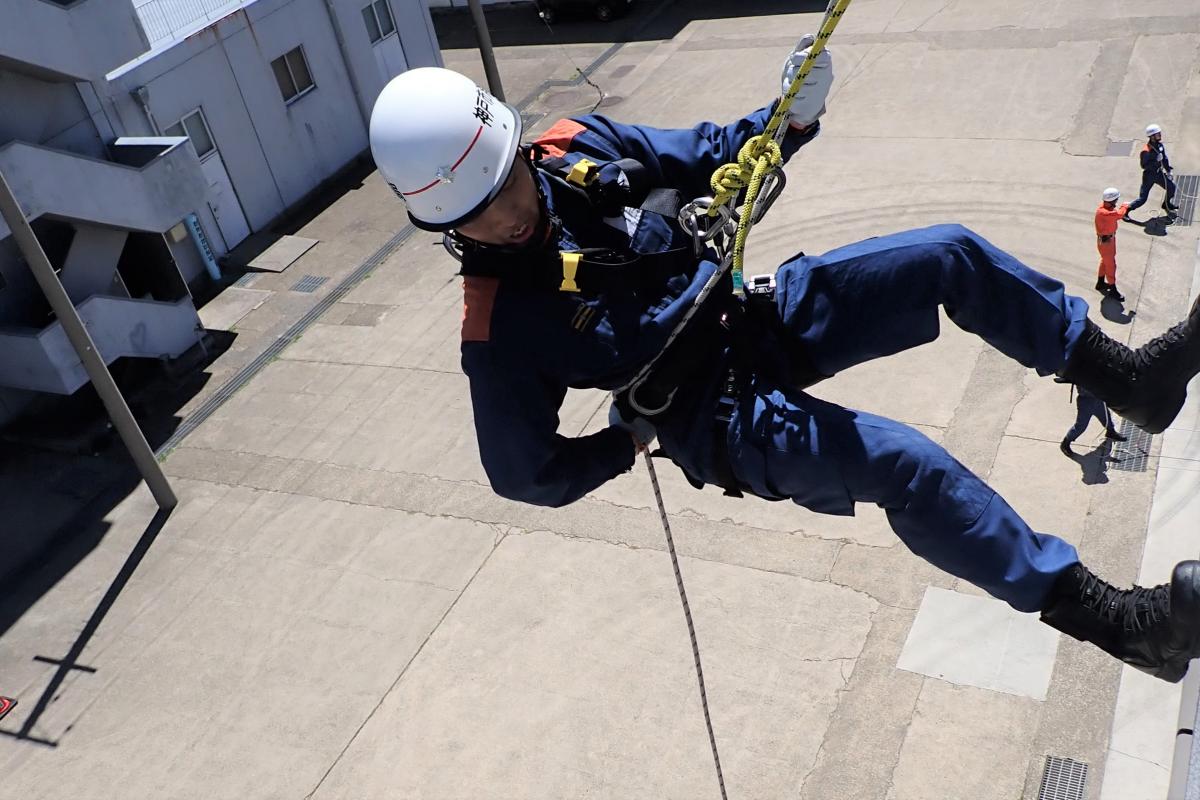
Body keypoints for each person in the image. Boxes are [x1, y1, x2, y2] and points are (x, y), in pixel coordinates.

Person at [368, 44, 1200, 683]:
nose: (510, 217)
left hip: (748, 315)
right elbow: (522, 472)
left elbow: (710, 153)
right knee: (904, 465)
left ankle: (1130, 379)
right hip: (707, 415)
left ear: (515, 148)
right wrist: (623, 446)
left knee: (945, 254)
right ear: (444, 222)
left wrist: (790, 115)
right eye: (479, 217)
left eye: (509, 184)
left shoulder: (573, 147)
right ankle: (1121, 625)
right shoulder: (498, 328)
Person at [1055, 377, 1126, 455]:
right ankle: (1065, 443)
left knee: (1106, 417)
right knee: (1081, 426)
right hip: (1086, 401)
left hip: (1098, 399)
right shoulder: (1080, 370)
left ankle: (1111, 432)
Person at [1124, 123, 1179, 222]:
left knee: (1171, 187)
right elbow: (1144, 166)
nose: (1160, 135)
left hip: (1158, 173)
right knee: (1142, 199)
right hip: (1149, 176)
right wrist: (1156, 161)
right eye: (1158, 134)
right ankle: (1126, 211)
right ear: (1152, 137)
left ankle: (1166, 204)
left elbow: (1164, 159)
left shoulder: (1159, 145)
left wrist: (1168, 171)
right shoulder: (1146, 151)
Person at [1094, 187, 1129, 302]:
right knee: (1111, 265)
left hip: (1106, 241)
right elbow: (1120, 214)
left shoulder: (1102, 208)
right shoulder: (1105, 213)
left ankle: (1100, 283)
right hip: (1107, 243)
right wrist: (1125, 205)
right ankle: (1113, 289)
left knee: (1105, 261)